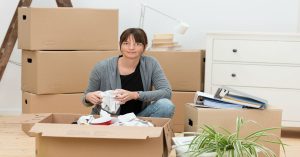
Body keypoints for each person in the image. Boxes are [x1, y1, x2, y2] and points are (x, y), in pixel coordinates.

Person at [82, 28, 175, 118]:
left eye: (137, 44)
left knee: (166, 105)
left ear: (145, 46)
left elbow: (166, 92)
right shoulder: (102, 67)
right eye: (126, 43)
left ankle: (141, 133)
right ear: (120, 45)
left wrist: (135, 95)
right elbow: (86, 99)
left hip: (139, 119)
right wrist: (88, 97)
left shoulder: (151, 64)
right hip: (110, 119)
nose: (131, 48)